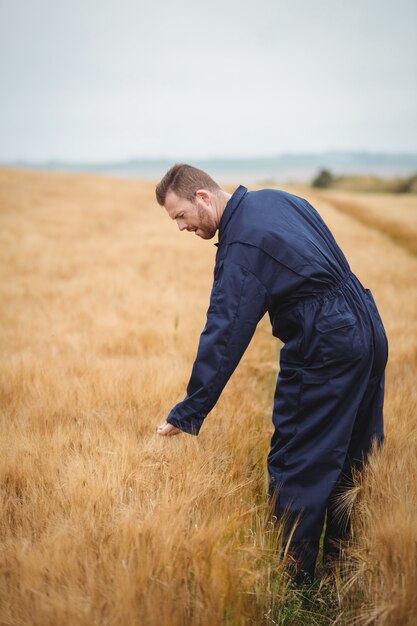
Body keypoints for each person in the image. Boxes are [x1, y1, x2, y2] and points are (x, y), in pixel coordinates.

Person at [154, 163, 388, 584]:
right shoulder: (276, 199)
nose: (181, 228)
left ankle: (291, 581)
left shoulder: (241, 243)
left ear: (203, 198)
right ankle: (344, 567)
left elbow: (225, 332)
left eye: (180, 216)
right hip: (367, 323)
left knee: (298, 458)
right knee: (355, 452)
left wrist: (190, 410)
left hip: (327, 342)